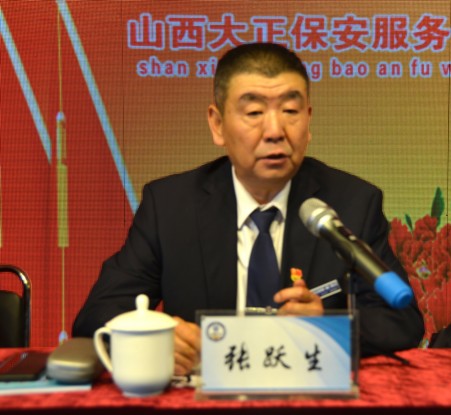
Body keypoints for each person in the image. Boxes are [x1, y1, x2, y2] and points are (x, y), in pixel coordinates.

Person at [73, 42, 424, 375]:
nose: (275, 131)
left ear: (308, 120)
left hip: (308, 394)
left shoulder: (350, 203)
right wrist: (155, 337)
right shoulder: (170, 206)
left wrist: (328, 327)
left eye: (290, 111)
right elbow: (96, 316)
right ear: (217, 124)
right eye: (254, 112)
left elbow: (403, 321)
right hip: (203, 397)